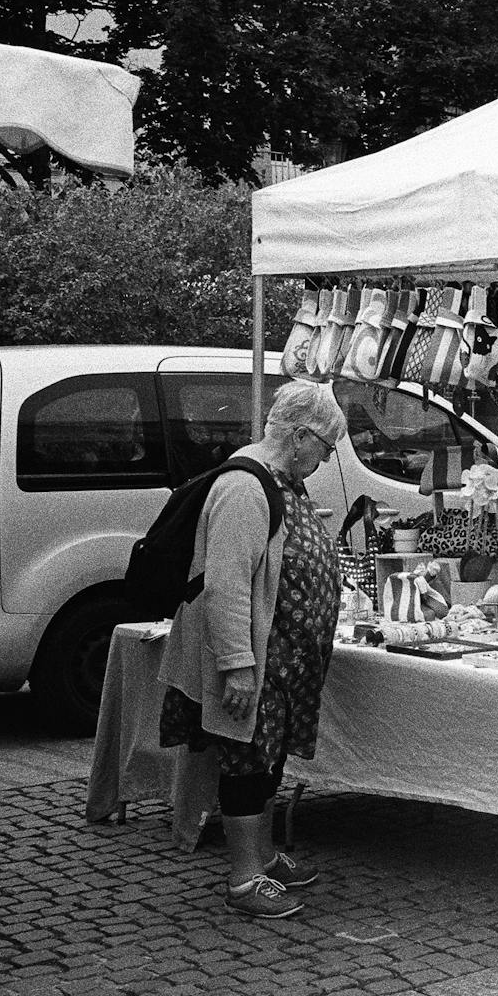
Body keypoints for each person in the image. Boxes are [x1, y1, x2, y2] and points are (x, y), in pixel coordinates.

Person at [157, 381, 346, 919]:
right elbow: (227, 584)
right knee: (245, 762)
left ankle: (262, 857)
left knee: (267, 759)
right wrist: (237, 665)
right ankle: (243, 879)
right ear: (298, 436)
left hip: (281, 660)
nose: (326, 458)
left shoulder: (281, 479)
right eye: (326, 448)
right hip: (253, 660)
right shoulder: (246, 486)